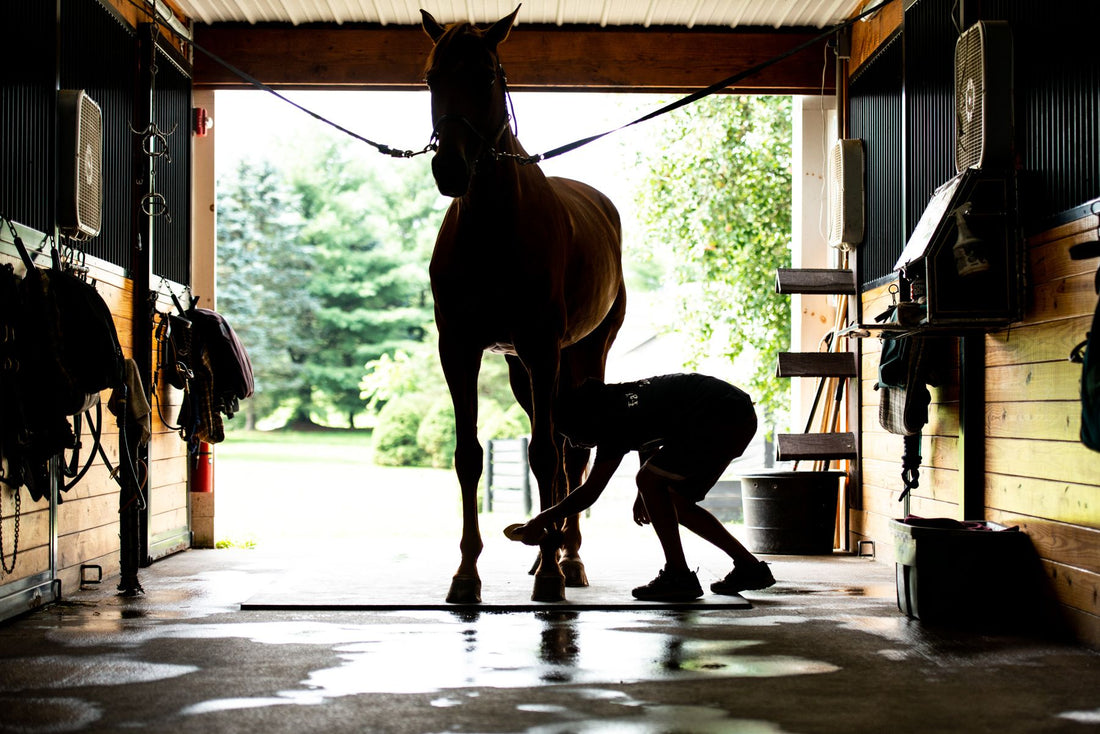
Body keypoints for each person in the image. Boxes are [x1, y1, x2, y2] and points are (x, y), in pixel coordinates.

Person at [504, 373, 775, 601]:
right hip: (733, 414)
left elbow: (590, 492)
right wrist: (644, 494)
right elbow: (649, 438)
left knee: (650, 481)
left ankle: (678, 576)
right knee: (674, 499)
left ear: (584, 419)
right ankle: (749, 567)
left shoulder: (610, 423)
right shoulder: (616, 403)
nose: (574, 444)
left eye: (571, 434)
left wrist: (541, 520)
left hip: (719, 415)